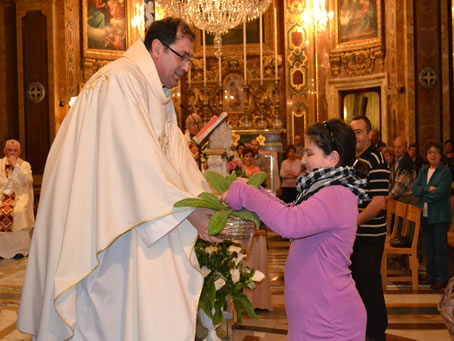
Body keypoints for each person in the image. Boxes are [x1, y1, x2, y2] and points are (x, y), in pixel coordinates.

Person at [17, 17, 221, 340]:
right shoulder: (120, 82)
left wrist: (208, 201)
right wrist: (190, 212)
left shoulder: (158, 94)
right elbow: (138, 161)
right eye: (182, 56)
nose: (187, 67)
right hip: (104, 228)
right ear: (157, 48)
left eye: (190, 58)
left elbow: (177, 160)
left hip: (135, 221)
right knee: (109, 313)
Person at [221, 119, 367, 340]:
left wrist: (244, 193)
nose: (303, 160)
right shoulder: (328, 190)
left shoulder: (336, 193)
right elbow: (290, 210)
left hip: (329, 322)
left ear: (333, 158)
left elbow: (290, 224)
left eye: (310, 153)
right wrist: (256, 190)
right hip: (316, 318)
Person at [350, 116, 389, 341]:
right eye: (352, 132)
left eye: (359, 132)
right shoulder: (354, 160)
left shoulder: (375, 159)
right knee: (358, 285)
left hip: (370, 234)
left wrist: (352, 222)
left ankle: (376, 332)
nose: (355, 136)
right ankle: (362, 330)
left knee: (369, 284)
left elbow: (378, 202)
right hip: (356, 235)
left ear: (369, 134)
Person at [413, 140, 452, 290]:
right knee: (428, 247)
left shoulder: (445, 172)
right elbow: (415, 189)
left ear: (440, 155)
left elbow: (441, 192)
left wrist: (424, 193)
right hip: (426, 214)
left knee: (439, 247)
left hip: (440, 216)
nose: (432, 155)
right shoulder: (423, 171)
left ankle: (441, 277)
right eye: (430, 152)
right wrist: (428, 188)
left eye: (435, 152)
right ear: (426, 155)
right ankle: (431, 275)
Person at [0, 139, 34, 259]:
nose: (12, 153)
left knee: (19, 211)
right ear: (5, 151)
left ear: (20, 152)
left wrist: (15, 166)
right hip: (2, 196)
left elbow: (27, 181)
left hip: (20, 197)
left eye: (15, 150)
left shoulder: (25, 165)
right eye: (10, 150)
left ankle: (20, 249)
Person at [389, 136, 417, 205]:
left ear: (405, 148)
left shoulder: (407, 162)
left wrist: (388, 196)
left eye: (399, 147)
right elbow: (390, 180)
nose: (397, 150)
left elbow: (401, 185)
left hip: (408, 199)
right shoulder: (394, 161)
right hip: (397, 198)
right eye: (395, 147)